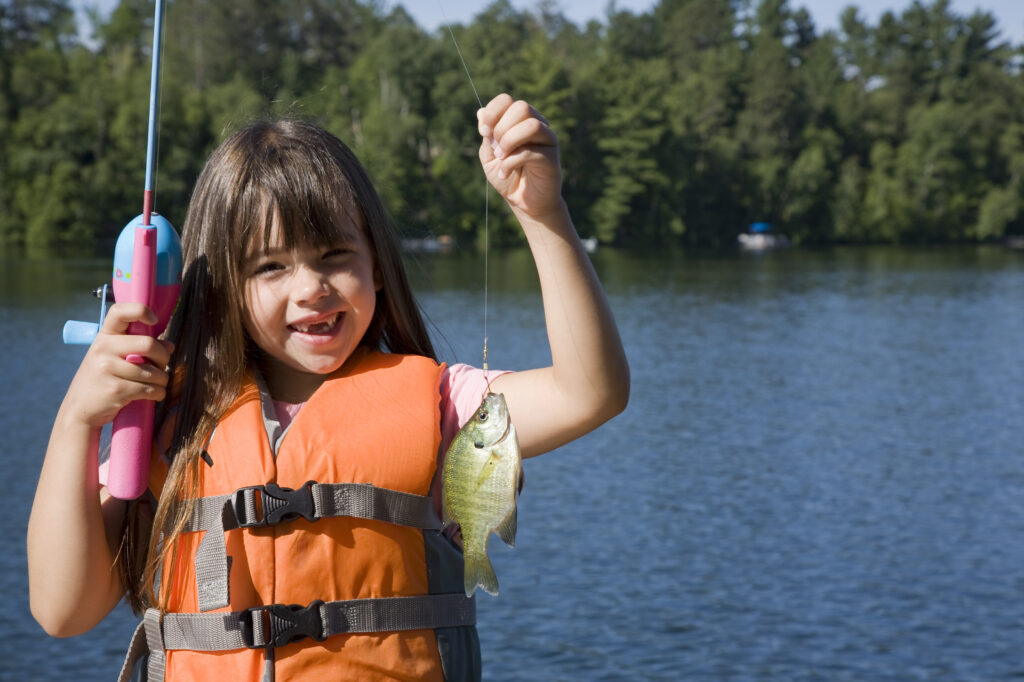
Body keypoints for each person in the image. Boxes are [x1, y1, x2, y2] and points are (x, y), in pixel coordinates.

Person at [27, 93, 629, 681]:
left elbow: (589, 393)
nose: (311, 287)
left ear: (376, 263)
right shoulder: (170, 421)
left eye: (335, 255)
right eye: (271, 266)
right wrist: (77, 420)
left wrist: (543, 214)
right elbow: (63, 610)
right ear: (222, 287)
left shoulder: (448, 405)